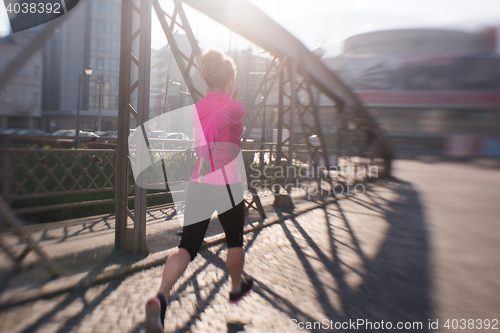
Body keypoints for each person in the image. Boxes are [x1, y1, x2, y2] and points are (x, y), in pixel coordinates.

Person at [145, 48, 253, 333]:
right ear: (230, 81)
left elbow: (208, 125)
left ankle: (161, 295)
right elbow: (218, 123)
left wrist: (202, 158)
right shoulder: (235, 106)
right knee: (234, 241)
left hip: (198, 184)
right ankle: (235, 287)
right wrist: (206, 154)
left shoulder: (197, 108)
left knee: (186, 247)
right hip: (228, 185)